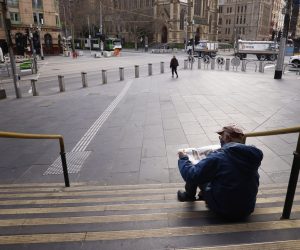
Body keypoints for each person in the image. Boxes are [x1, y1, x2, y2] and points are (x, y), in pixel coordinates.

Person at [177, 124, 263, 220]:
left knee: (197, 168)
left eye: (220, 137)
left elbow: (191, 175)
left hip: (223, 209)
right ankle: (203, 194)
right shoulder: (252, 155)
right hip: (246, 209)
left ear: (227, 137)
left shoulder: (219, 157)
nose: (220, 139)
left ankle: (189, 196)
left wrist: (183, 159)